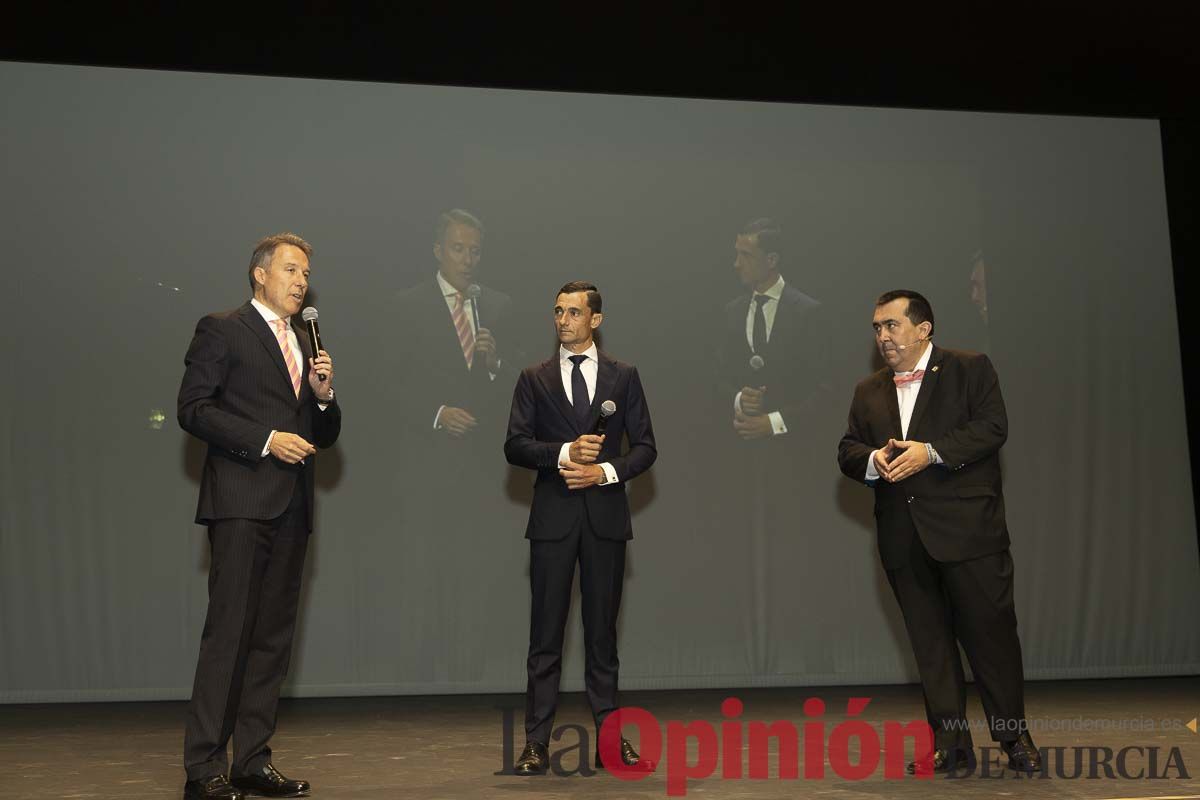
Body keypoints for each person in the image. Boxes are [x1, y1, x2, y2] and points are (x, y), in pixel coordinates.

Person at [837, 289, 1038, 774]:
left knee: (991, 642)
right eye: (877, 328)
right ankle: (951, 745)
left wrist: (930, 451)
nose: (883, 336)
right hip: (904, 540)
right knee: (930, 646)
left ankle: (1015, 741)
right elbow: (848, 449)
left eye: (892, 325)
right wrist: (872, 461)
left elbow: (993, 428)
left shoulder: (970, 369)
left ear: (924, 328)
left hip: (970, 535)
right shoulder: (868, 391)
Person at [178, 233, 341, 799]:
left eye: (305, 273)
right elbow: (193, 408)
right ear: (259, 274)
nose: (301, 281)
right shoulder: (222, 328)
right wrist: (267, 439)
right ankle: (203, 769)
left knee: (273, 639)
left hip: (293, 506)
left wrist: (321, 399)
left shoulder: (303, 341)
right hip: (242, 504)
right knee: (229, 635)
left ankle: (251, 759)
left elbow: (324, 434)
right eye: (291, 270)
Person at [504, 281, 657, 775]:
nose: (563, 320)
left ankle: (610, 742)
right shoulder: (534, 377)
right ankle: (535, 743)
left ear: (596, 319)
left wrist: (604, 471)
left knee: (601, 638)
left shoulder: (624, 376)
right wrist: (565, 454)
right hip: (552, 521)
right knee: (545, 637)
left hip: (605, 520)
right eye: (557, 311)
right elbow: (515, 445)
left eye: (574, 312)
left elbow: (646, 448)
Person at [394, 208, 512, 443]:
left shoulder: (499, 306)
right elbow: (390, 381)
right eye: (458, 249)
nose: (467, 260)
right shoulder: (408, 306)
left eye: (475, 251)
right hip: (428, 450)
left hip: (487, 454)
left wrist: (494, 364)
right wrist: (437, 414)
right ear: (438, 251)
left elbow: (523, 384)